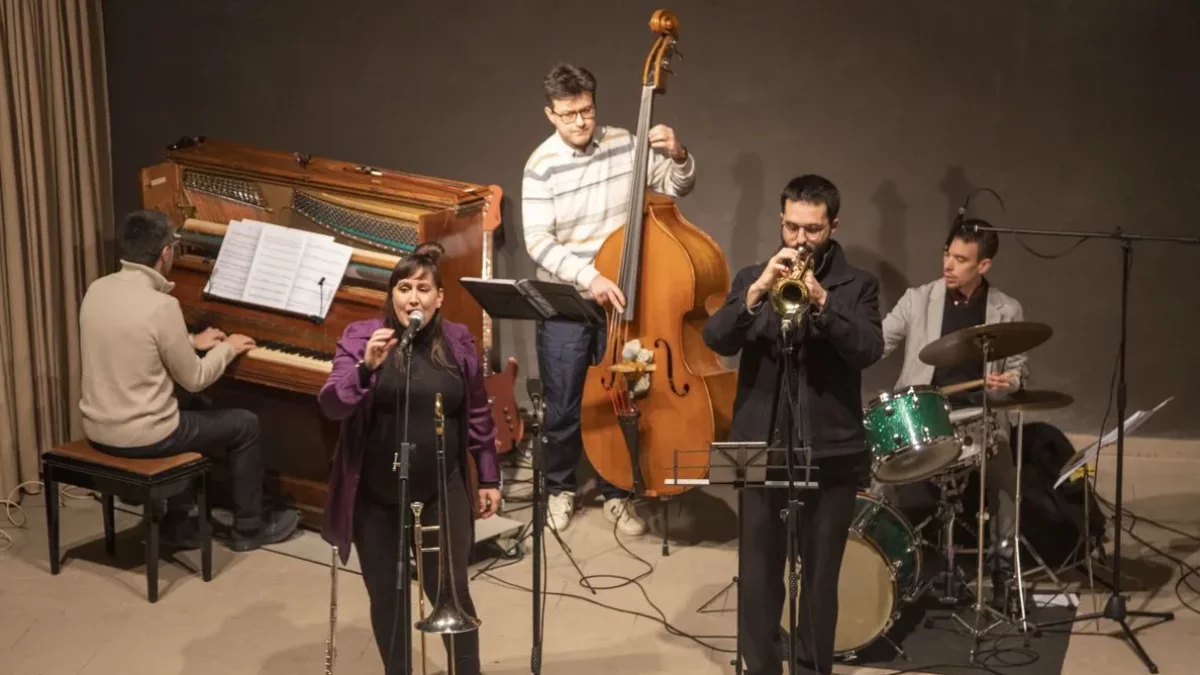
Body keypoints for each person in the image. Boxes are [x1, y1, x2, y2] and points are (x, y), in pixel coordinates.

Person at [703, 175, 884, 675]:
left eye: (812, 229)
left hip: (831, 448)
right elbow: (715, 338)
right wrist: (759, 290)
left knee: (821, 580)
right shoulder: (749, 277)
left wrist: (823, 302)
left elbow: (869, 349)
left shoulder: (858, 285)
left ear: (833, 226)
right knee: (757, 579)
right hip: (754, 444)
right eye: (791, 227)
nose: (800, 240)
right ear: (780, 222)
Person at [521, 62, 695, 535]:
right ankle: (559, 489)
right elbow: (538, 242)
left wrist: (679, 155)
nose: (580, 121)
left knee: (619, 397)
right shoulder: (540, 167)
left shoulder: (624, 143)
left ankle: (618, 491)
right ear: (550, 114)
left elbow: (677, 188)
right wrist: (589, 275)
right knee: (563, 404)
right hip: (567, 301)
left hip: (620, 300)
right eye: (569, 113)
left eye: (587, 110)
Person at [318, 245, 502, 675]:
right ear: (391, 295)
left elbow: (477, 412)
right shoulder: (362, 337)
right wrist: (365, 370)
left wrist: (489, 476)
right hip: (376, 496)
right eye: (404, 288)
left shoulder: (457, 342)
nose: (413, 298)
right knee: (388, 595)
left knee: (452, 591)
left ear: (439, 298)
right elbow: (331, 405)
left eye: (423, 289)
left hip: (443, 489)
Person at [78, 209, 300, 551]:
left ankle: (180, 519)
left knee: (197, 408)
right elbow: (196, 378)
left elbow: (134, 345)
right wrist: (226, 349)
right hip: (145, 435)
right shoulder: (160, 306)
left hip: (98, 427)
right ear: (166, 253)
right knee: (245, 424)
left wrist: (190, 343)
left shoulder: (97, 289)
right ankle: (248, 528)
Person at [876, 222, 1027, 606]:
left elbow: (1019, 372)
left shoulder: (1006, 309)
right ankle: (882, 560)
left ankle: (1004, 567)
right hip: (925, 414)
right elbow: (875, 343)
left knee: (1005, 478)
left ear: (984, 265)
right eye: (947, 253)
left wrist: (1008, 382)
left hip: (980, 416)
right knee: (881, 474)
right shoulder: (918, 299)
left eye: (961, 259)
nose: (948, 264)